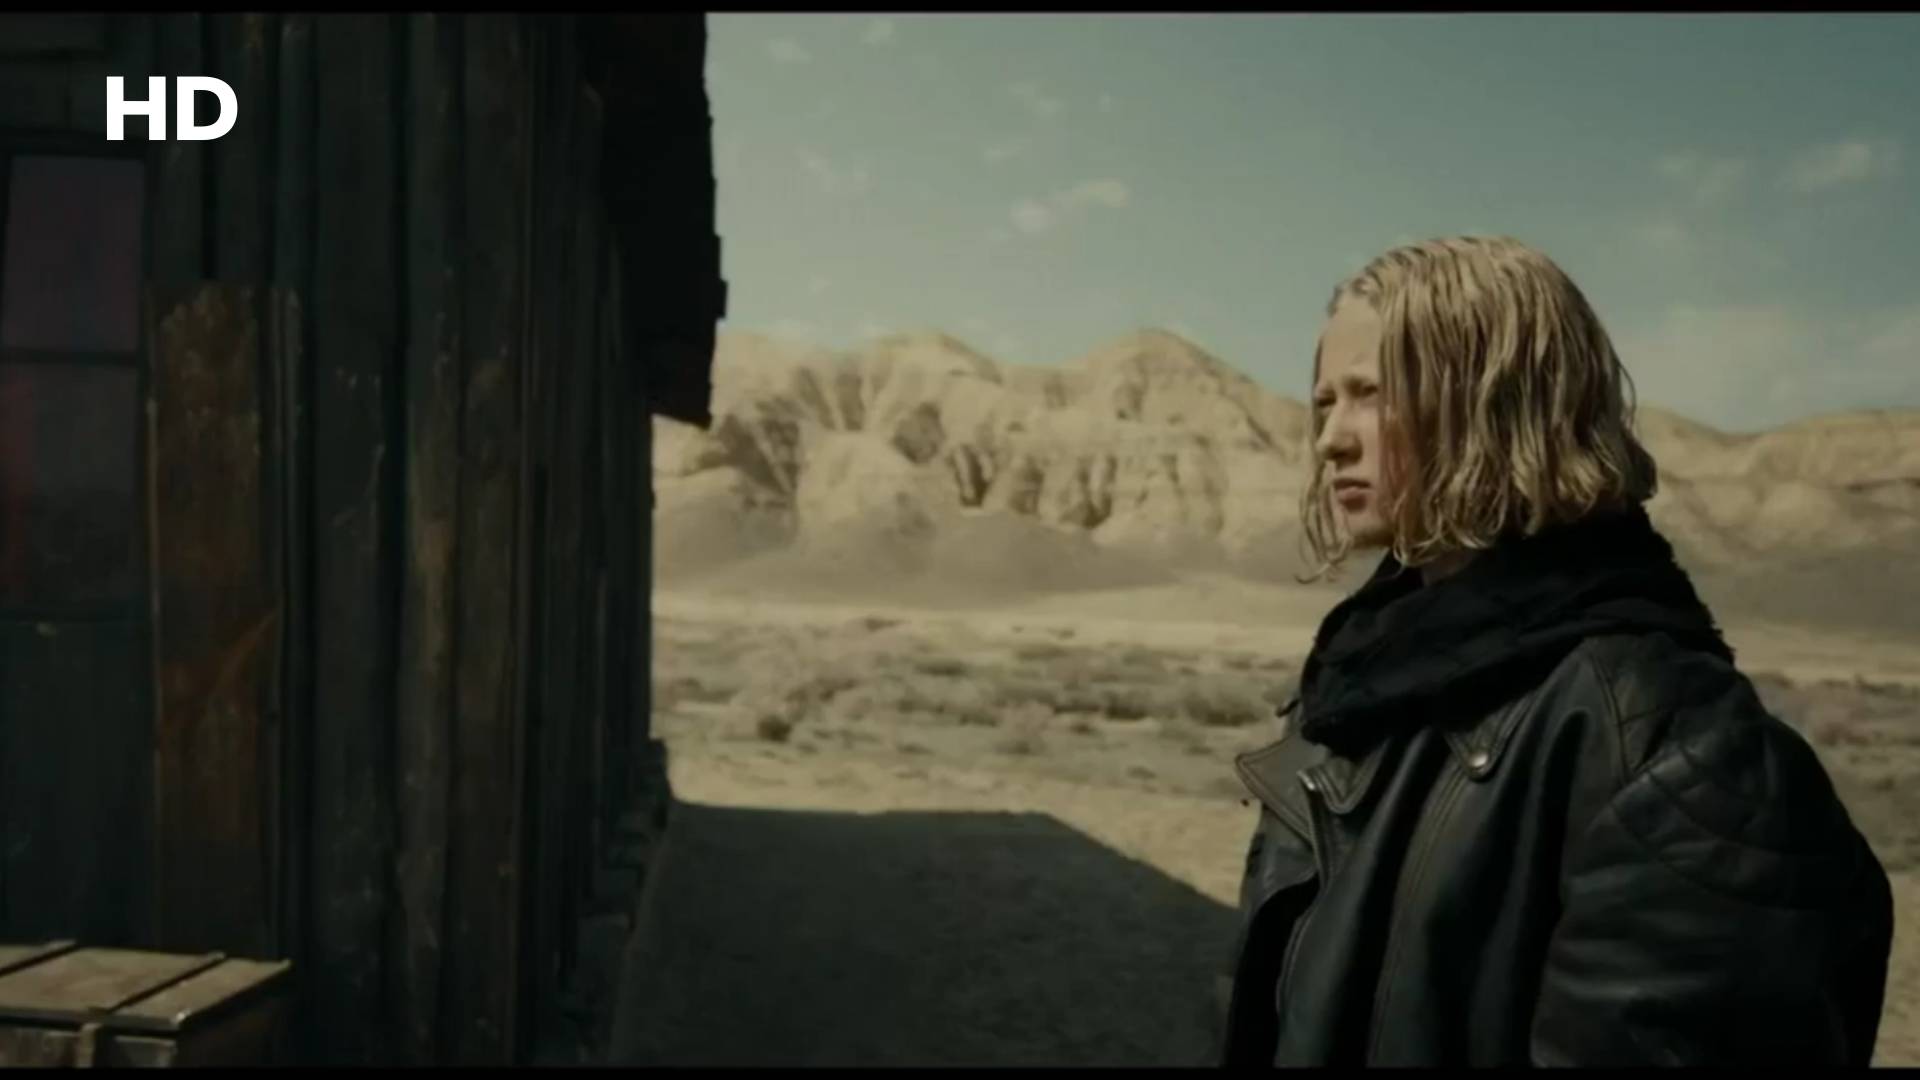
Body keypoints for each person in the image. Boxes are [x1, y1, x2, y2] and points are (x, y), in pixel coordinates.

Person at [1218, 236, 1894, 1067]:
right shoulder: (1356, 691)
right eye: (1325, 402)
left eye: (1371, 394)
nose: (1330, 438)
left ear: (1500, 402)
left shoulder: (1678, 752)